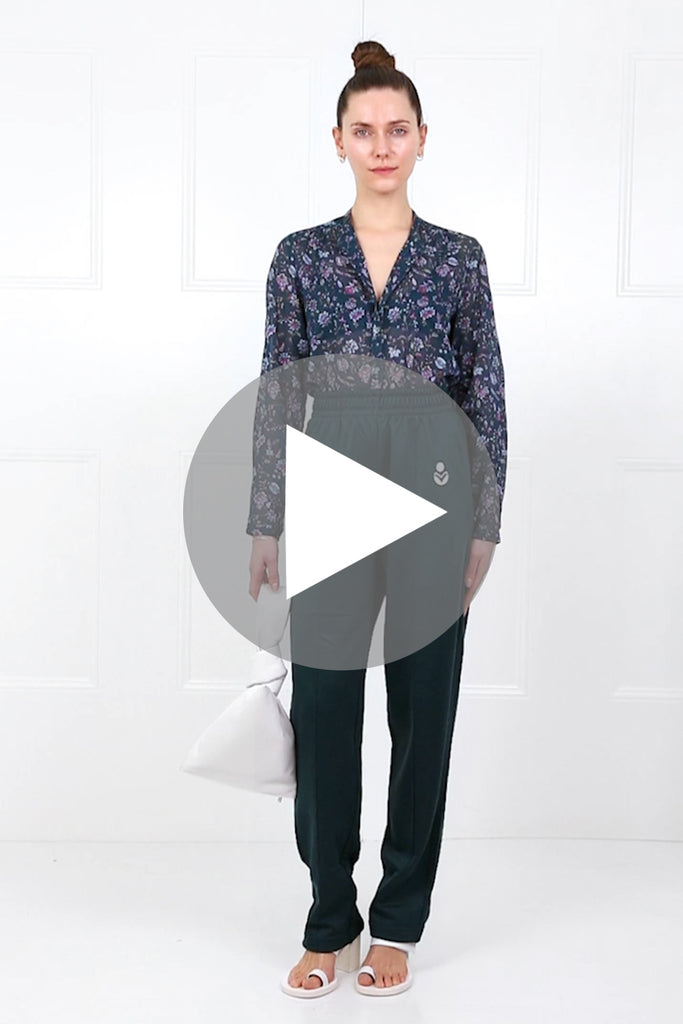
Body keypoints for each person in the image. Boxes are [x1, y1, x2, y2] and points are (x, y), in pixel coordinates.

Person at [246, 39, 508, 996]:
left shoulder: (457, 258)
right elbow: (279, 389)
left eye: (397, 129)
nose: (382, 146)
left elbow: (485, 392)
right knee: (324, 712)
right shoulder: (301, 257)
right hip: (334, 480)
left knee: (422, 711)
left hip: (436, 479)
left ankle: (396, 922)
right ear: (339, 141)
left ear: (422, 138)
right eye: (364, 131)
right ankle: (330, 920)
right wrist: (266, 517)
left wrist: (484, 521)